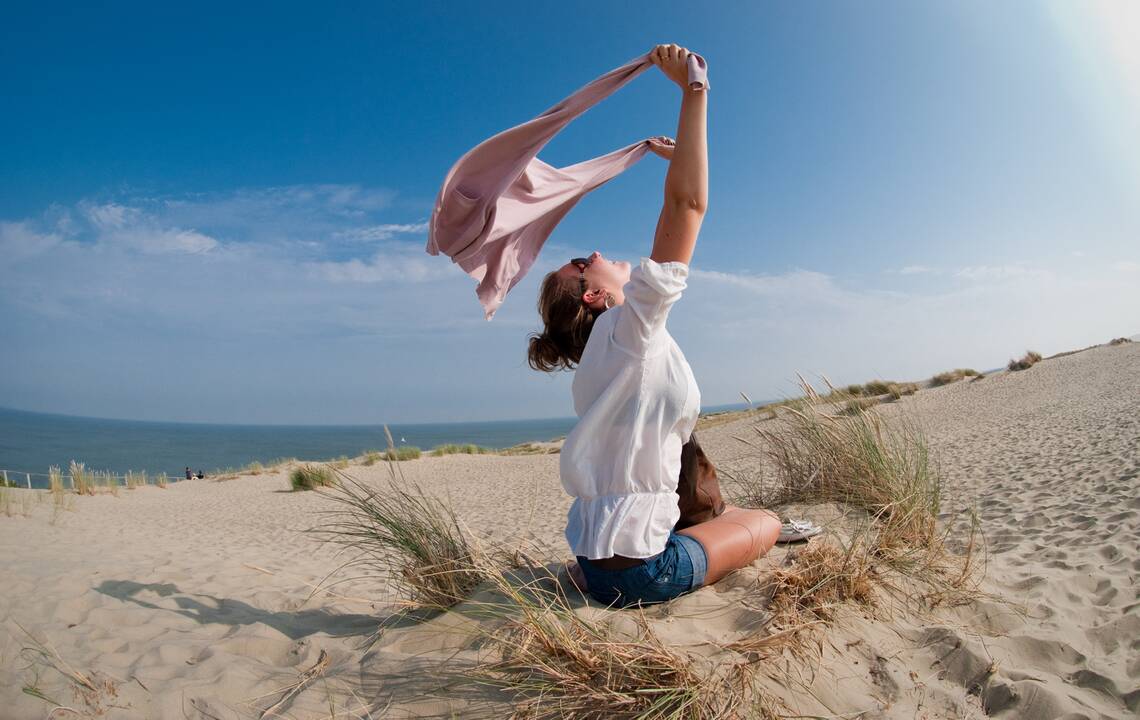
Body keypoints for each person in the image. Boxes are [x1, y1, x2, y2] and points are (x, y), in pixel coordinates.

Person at [526, 44, 781, 608]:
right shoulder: (628, 327)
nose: (591, 250)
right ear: (594, 293)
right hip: (642, 575)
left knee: (723, 513)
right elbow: (687, 206)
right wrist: (693, 92)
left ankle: (706, 530)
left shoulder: (598, 365)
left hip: (593, 567)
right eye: (579, 261)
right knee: (763, 522)